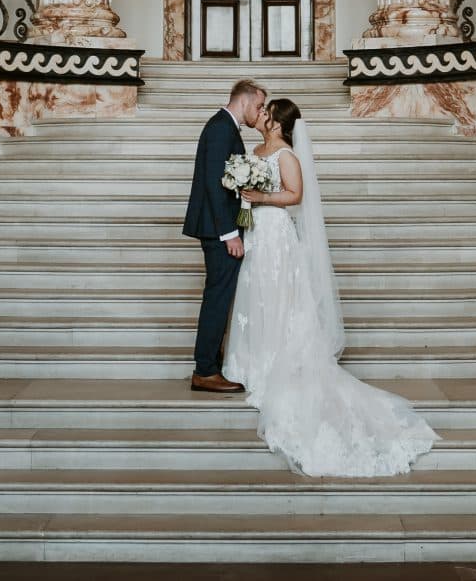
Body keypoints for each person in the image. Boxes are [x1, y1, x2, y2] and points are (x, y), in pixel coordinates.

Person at [223, 97, 438, 476]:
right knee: (257, 296)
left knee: (280, 298)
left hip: (276, 233)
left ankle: (277, 365)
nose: (262, 115)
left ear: (277, 123)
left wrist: (260, 197)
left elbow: (296, 195)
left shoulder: (287, 155)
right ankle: (255, 362)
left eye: (267, 112)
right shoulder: (254, 149)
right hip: (255, 233)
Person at [182, 78, 262, 393]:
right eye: (258, 105)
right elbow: (215, 186)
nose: (260, 112)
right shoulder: (220, 128)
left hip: (219, 228)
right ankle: (204, 369)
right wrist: (229, 234)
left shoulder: (224, 127)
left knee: (220, 295)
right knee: (217, 297)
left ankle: (210, 364)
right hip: (218, 231)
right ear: (244, 101)